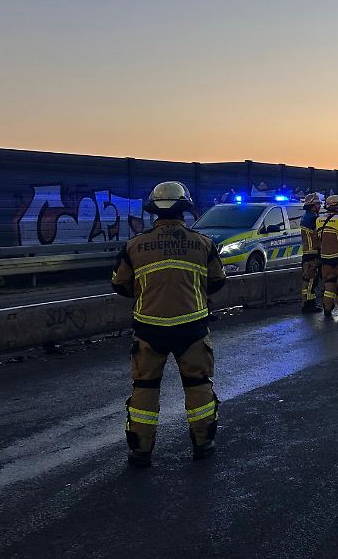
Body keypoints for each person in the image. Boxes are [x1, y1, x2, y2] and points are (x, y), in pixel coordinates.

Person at [111, 181, 225, 467]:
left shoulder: (134, 245)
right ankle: (203, 443)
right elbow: (217, 280)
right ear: (184, 208)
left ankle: (141, 451)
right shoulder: (203, 243)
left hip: (148, 328)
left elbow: (121, 284)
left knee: (145, 387)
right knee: (198, 384)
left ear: (154, 209)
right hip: (192, 326)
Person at [299, 193, 322, 311]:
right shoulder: (313, 219)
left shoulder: (305, 217)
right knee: (311, 280)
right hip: (312, 253)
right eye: (318, 204)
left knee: (308, 280)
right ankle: (308, 304)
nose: (320, 206)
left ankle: (308, 302)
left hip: (307, 253)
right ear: (313, 206)